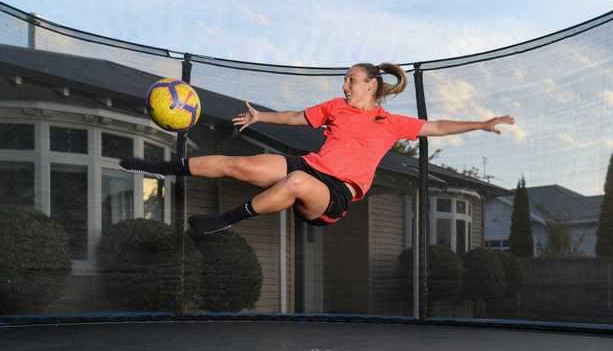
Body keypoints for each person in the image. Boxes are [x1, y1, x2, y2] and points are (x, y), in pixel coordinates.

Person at [119, 62, 515, 236]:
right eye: (345, 80)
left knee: (294, 181)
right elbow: (295, 118)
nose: (345, 85)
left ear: (371, 86)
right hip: (310, 164)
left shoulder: (391, 123)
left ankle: (223, 220)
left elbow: (438, 125)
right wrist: (261, 118)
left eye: (351, 80)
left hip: (336, 193)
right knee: (235, 163)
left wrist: (481, 123)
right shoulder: (334, 107)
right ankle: (157, 166)